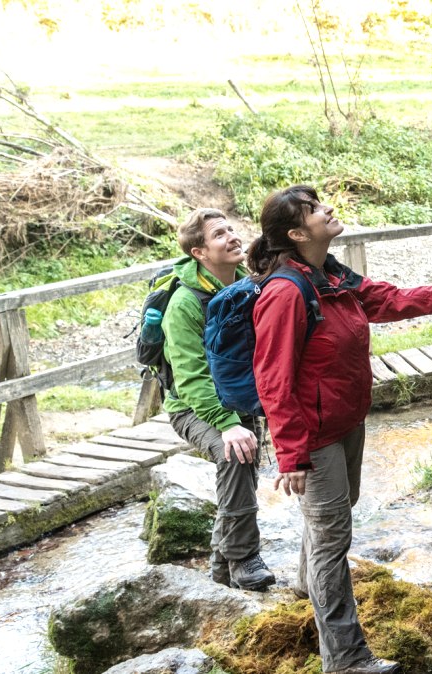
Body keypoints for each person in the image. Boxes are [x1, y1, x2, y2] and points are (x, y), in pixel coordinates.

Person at [246, 185, 432, 674]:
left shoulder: (330, 276)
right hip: (316, 435)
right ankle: (346, 659)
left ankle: (306, 584)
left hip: (346, 420)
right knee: (332, 542)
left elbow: (390, 300)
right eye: (315, 209)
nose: (328, 209)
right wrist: (292, 456)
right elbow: (273, 380)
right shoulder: (285, 292)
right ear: (298, 233)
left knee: (337, 513)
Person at [161, 207, 275, 590]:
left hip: (237, 398)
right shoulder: (185, 304)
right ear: (200, 253)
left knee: (240, 467)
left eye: (231, 229)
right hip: (193, 407)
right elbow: (191, 381)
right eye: (219, 235)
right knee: (236, 454)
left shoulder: (247, 282)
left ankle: (220, 575)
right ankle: (244, 559)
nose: (232, 237)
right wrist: (227, 425)